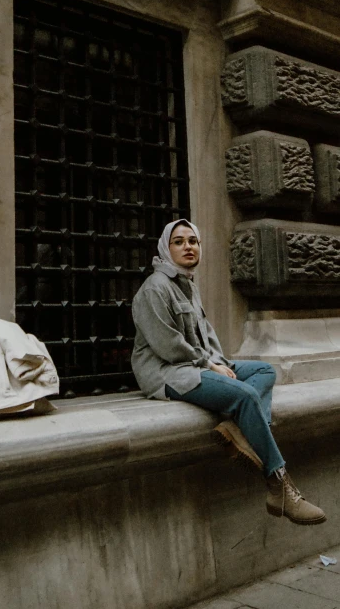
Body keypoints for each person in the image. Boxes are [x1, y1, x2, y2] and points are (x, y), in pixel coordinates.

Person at [131, 218, 326, 525]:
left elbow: (205, 335)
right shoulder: (154, 289)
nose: (188, 247)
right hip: (168, 373)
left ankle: (242, 431)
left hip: (198, 363)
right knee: (246, 395)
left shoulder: (187, 285)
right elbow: (168, 346)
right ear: (165, 248)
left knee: (264, 371)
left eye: (193, 241)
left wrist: (219, 362)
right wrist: (211, 366)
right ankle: (281, 486)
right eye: (179, 241)